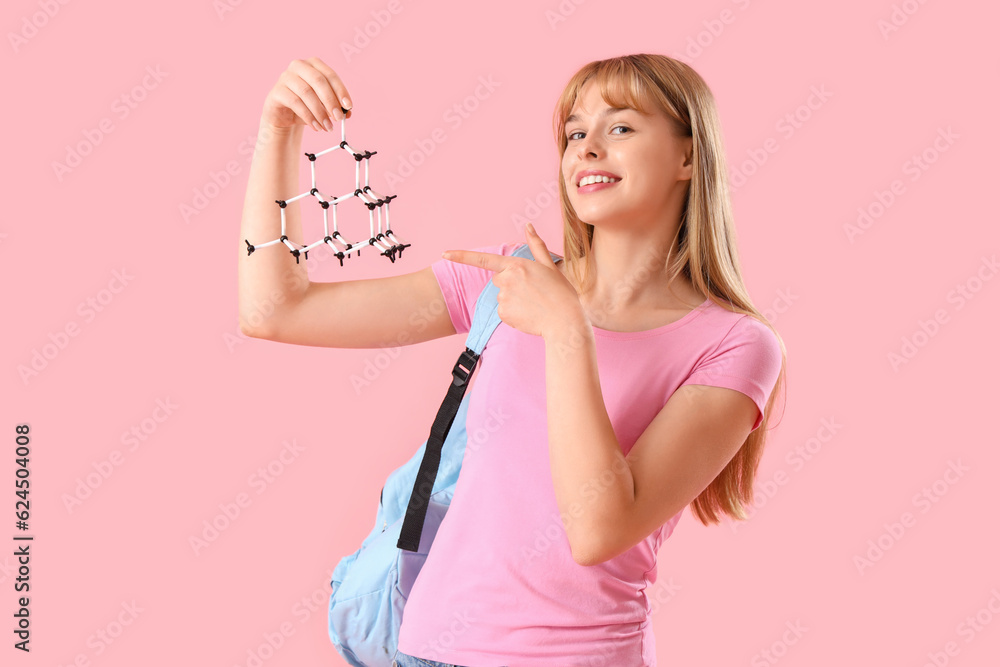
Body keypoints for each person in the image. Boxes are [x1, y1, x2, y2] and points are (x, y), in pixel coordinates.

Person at [239, 53, 787, 667]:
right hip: (428, 649)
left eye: (621, 128)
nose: (587, 148)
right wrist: (278, 131)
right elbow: (275, 311)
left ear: (689, 157)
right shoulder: (505, 282)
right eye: (575, 133)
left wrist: (567, 332)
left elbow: (599, 529)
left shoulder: (734, 346)